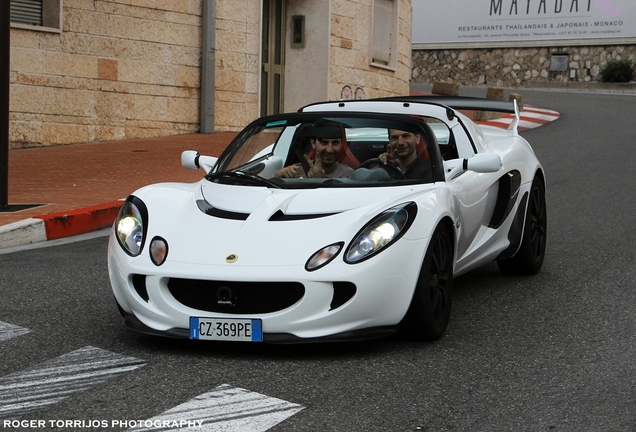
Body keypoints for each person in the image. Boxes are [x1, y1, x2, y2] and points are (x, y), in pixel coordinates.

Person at [273, 124, 354, 179]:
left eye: (335, 143)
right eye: (324, 142)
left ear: (341, 144)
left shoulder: (348, 176)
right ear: (313, 143)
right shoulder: (296, 171)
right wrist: (277, 176)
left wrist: (319, 181)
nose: (330, 149)